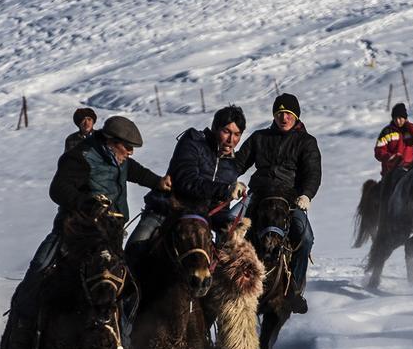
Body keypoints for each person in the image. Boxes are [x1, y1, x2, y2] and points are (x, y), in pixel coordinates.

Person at [11, 115, 170, 349]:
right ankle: (22, 335)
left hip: (110, 235)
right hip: (74, 232)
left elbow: (134, 171)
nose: (130, 153)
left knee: (124, 288)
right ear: (110, 142)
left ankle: (120, 348)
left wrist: (157, 182)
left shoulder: (119, 159)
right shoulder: (81, 156)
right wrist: (87, 203)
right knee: (38, 269)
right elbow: (58, 189)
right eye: (127, 147)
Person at [235, 93, 322, 314]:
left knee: (305, 236)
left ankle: (294, 289)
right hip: (259, 195)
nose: (284, 118)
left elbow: (312, 172)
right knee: (229, 225)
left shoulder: (306, 142)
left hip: (289, 200)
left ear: (296, 116)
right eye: (280, 113)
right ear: (274, 115)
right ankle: (226, 283)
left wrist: (307, 195)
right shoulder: (259, 137)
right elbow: (237, 163)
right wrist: (233, 181)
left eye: (289, 114)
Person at [126, 106, 246, 261]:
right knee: (134, 251)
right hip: (166, 212)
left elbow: (218, 208)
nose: (231, 140)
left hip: (199, 225)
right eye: (226, 131)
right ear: (215, 128)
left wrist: (229, 224)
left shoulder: (230, 165)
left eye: (237, 134)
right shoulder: (193, 141)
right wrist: (225, 190)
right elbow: (186, 181)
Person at [375, 103, 413, 176]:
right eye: (395, 119)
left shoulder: (410, 130)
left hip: (409, 168)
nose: (398, 121)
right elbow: (379, 150)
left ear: (405, 118)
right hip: (390, 171)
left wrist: (409, 125)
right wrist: (390, 157)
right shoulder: (387, 132)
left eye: (400, 118)